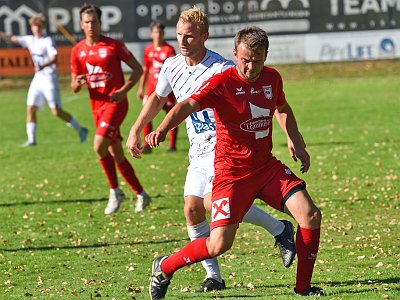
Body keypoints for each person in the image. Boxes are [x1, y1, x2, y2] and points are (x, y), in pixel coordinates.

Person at [126, 7, 296, 294]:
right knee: (192, 209)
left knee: (214, 203)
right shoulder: (171, 66)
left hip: (223, 147)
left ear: (204, 36)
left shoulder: (221, 68)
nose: (183, 42)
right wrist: (135, 128)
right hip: (197, 149)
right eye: (179, 35)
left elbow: (250, 95)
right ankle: (215, 275)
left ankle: (278, 230)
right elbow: (158, 97)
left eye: (189, 37)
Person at [70, 4, 151, 214]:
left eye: (94, 21)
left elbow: (138, 69)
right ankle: (141, 194)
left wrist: (124, 90)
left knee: (99, 146)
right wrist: (78, 83)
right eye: (86, 22)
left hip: (115, 104)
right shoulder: (77, 50)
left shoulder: (113, 45)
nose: (90, 25)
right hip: (96, 107)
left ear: (100, 22)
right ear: (81, 24)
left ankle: (115, 191)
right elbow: (74, 86)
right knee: (115, 153)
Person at [0, 14, 88, 147]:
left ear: (42, 28)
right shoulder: (30, 40)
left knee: (56, 111)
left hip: (49, 79)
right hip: (38, 79)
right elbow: (12, 38)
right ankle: (31, 140)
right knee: (30, 108)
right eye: (34, 27)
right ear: (31, 28)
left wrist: (43, 65)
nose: (36, 29)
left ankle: (81, 130)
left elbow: (55, 57)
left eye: (38, 27)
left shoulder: (48, 41)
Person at [136, 21, 178, 153]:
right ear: (151, 34)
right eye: (155, 32)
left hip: (167, 90)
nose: (158, 35)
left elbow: (174, 71)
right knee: (146, 115)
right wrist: (140, 88)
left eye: (160, 32)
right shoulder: (148, 49)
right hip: (151, 89)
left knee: (171, 116)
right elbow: (146, 69)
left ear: (163, 34)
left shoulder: (169, 50)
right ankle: (147, 145)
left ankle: (172, 145)